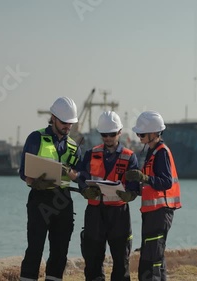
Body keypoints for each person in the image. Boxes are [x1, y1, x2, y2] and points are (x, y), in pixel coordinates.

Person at [19, 96, 82, 281]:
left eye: (70, 123)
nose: (67, 127)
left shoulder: (74, 147)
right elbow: (23, 171)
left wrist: (75, 176)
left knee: (60, 251)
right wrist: (34, 181)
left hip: (63, 200)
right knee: (35, 249)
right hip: (40, 199)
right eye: (64, 122)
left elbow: (81, 177)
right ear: (53, 118)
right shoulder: (36, 138)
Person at [76, 111, 140, 281]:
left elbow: (134, 186)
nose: (108, 138)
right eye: (104, 135)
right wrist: (84, 190)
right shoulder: (90, 154)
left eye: (111, 134)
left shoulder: (129, 157)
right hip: (95, 213)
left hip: (119, 214)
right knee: (93, 260)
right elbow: (82, 178)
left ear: (119, 132)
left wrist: (130, 195)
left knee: (121, 261)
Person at [124, 110, 181, 281]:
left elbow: (166, 182)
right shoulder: (152, 152)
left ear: (154, 133)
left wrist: (145, 178)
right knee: (153, 255)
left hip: (160, 212)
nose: (139, 137)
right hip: (152, 211)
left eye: (142, 134)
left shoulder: (161, 152)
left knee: (152, 257)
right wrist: (134, 191)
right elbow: (151, 185)